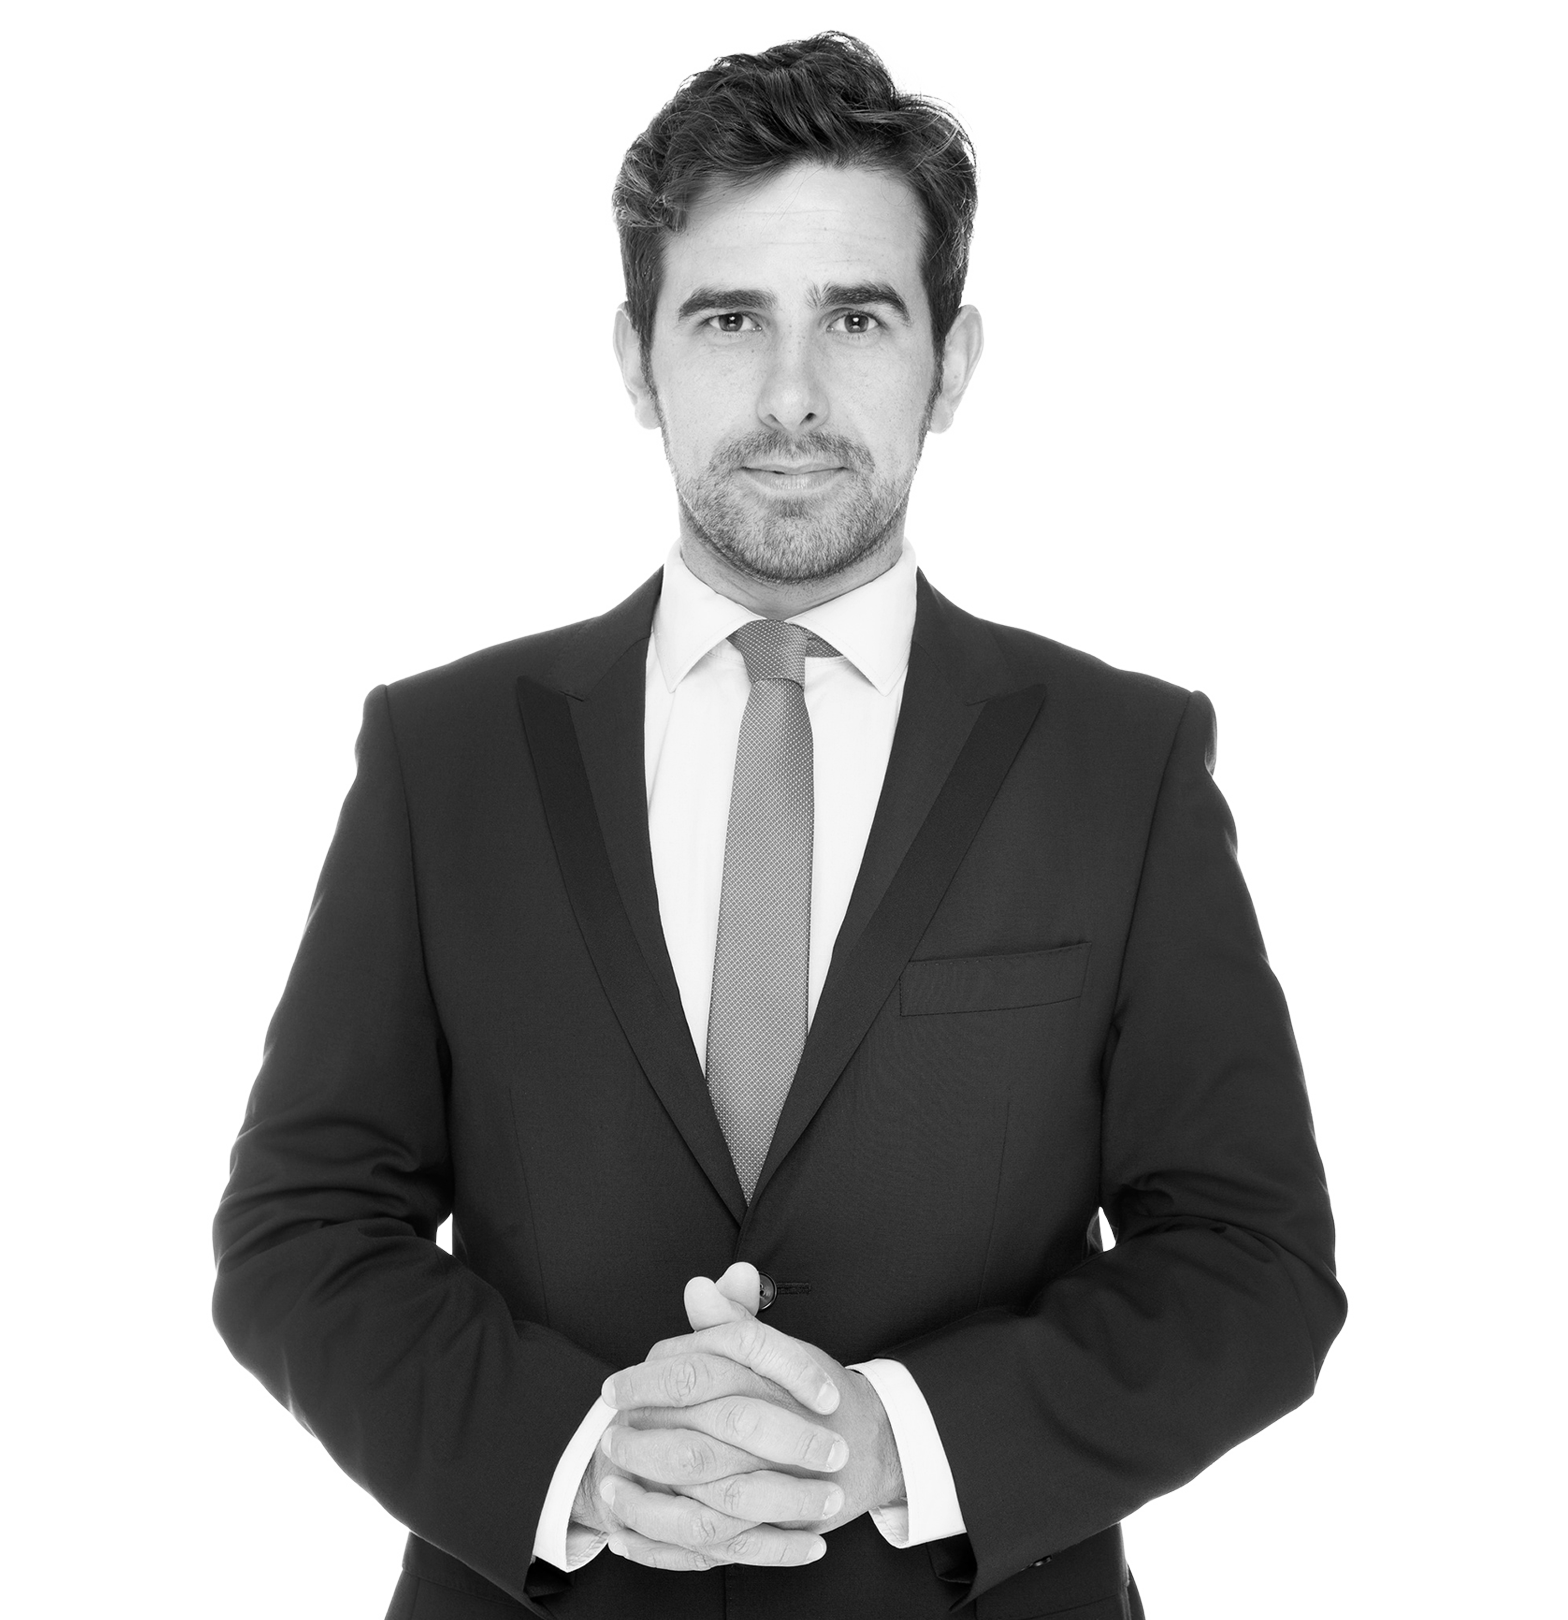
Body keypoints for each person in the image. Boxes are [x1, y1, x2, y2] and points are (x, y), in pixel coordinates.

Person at [213, 30, 1346, 1620]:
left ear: (952, 361)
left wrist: (902, 1441)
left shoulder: (1122, 765)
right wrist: (578, 1459)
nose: (793, 395)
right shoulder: (443, 755)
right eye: (731, 317)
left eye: (858, 318)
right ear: (637, 358)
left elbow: (1252, 1264)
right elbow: (302, 1230)